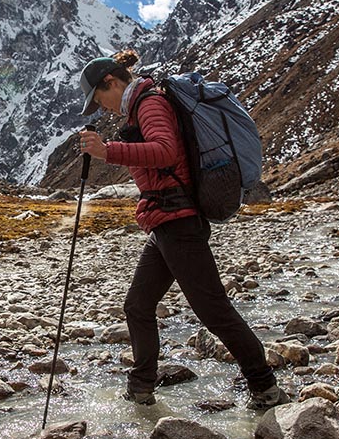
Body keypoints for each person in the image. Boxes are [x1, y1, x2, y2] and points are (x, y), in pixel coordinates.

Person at [76, 50, 289, 409]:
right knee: (138, 306)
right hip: (165, 223)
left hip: (178, 223)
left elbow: (164, 151)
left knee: (214, 311)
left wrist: (107, 151)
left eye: (100, 100)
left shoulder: (149, 103)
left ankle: (265, 387)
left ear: (111, 83)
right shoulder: (140, 104)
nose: (105, 109)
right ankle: (141, 389)